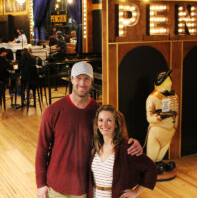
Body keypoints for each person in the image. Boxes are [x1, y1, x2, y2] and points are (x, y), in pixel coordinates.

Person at [35, 62, 143, 198]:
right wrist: (40, 184)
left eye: (86, 79)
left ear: (92, 81)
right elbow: (42, 149)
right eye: (78, 78)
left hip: (86, 189)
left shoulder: (99, 114)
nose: (82, 83)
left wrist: (133, 144)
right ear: (71, 79)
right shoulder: (52, 111)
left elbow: (115, 139)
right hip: (56, 187)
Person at [88, 105, 157, 198]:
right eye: (100, 120)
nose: (104, 125)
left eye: (109, 120)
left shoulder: (126, 147)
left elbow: (151, 167)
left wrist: (136, 192)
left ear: (116, 124)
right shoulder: (95, 147)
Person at [145, 70, 179, 178]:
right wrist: (161, 116)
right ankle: (150, 168)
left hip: (170, 130)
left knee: (161, 153)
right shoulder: (152, 98)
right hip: (157, 131)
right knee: (152, 155)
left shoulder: (175, 96)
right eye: (164, 78)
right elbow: (149, 117)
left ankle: (159, 164)